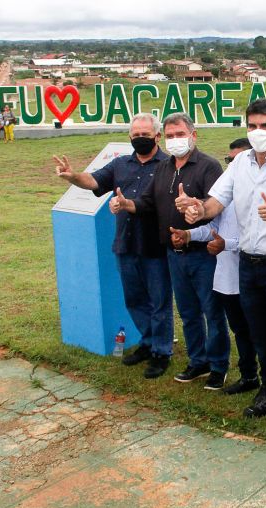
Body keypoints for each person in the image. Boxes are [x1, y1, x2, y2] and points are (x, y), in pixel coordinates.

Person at [179, 98, 266, 430]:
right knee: (260, 334)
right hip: (249, 264)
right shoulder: (240, 162)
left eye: (265, 126)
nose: (258, 132)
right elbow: (217, 201)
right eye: (252, 126)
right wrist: (199, 209)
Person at [112, 112, 230, 390]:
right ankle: (197, 361)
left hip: (203, 253)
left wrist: (196, 205)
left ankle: (218, 365)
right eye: (171, 135)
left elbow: (219, 205)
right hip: (173, 254)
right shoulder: (164, 167)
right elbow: (148, 202)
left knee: (211, 311)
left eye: (181, 134)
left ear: (193, 135)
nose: (176, 140)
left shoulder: (209, 166)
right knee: (188, 312)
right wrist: (126, 204)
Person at [52, 112, 174, 379]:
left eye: (145, 134)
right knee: (134, 299)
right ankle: (148, 342)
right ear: (129, 137)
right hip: (126, 243)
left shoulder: (169, 165)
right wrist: (72, 176)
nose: (140, 139)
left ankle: (162, 352)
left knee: (159, 302)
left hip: (155, 245)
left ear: (157, 136)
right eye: (136, 135)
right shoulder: (120, 165)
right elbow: (94, 181)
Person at [174, 138, 260, 395]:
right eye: (229, 160)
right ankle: (248, 376)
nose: (233, 165)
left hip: (253, 274)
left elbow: (258, 236)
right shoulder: (223, 197)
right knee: (240, 329)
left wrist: (227, 245)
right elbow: (213, 229)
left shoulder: (260, 195)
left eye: (238, 159)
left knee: (260, 331)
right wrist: (188, 235)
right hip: (226, 277)